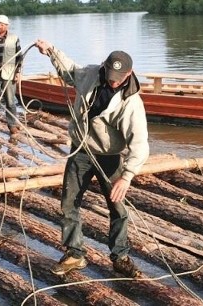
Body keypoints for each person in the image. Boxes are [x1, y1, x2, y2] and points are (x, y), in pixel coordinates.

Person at [34, 39, 150, 278]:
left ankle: (120, 257)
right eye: (110, 74)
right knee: (69, 203)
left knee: (117, 207)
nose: (113, 80)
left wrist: (126, 177)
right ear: (104, 67)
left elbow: (140, 144)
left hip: (109, 156)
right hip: (81, 151)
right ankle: (75, 253)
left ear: (130, 73)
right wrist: (52, 51)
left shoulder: (132, 104)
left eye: (119, 76)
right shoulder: (90, 74)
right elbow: (69, 70)